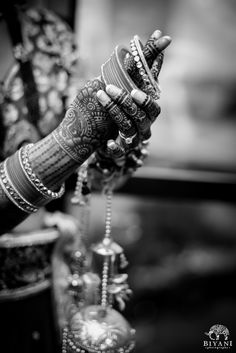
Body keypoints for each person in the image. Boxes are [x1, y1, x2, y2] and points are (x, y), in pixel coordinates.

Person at [0, 1, 171, 352]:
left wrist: (115, 143)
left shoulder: (49, 34)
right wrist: (70, 143)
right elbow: (73, 137)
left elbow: (89, 172)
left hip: (42, 289)